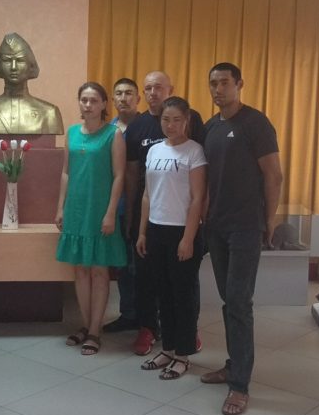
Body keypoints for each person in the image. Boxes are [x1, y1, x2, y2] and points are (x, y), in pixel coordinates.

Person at [200, 62, 283, 415]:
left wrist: (268, 221)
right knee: (228, 299)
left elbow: (274, 175)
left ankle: (240, 385)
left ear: (239, 84)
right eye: (213, 84)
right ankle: (234, 365)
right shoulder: (210, 127)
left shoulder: (256, 123)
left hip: (246, 227)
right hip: (216, 226)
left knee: (238, 301)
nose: (218, 89)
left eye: (224, 83)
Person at [124, 71, 206, 356]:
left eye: (176, 120)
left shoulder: (194, 148)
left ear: (186, 121)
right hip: (154, 226)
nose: (170, 125)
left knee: (183, 290)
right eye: (166, 120)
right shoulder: (150, 144)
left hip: (182, 227)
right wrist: (140, 230)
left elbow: (198, 196)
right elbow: (143, 189)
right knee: (158, 287)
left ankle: (185, 346)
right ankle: (164, 344)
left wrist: (189, 237)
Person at [55, 82, 127, 356]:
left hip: (100, 210)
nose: (88, 105)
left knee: (99, 271)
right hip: (75, 209)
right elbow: (66, 172)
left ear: (104, 104)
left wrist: (111, 212)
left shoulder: (113, 134)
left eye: (94, 100)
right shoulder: (72, 133)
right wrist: (60, 207)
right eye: (84, 100)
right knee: (81, 270)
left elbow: (119, 176)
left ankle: (96, 330)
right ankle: (86, 325)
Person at [103, 77, 142, 334]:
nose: (123, 98)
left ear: (138, 98)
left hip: (143, 207)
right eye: (118, 93)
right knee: (122, 265)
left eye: (129, 93)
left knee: (142, 265)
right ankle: (128, 314)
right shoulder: (107, 130)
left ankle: (149, 319)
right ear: (112, 100)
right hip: (115, 207)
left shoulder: (148, 126)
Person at [0, 33, 63, 135]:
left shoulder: (49, 113)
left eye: (20, 60)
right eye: (7, 60)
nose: (13, 67)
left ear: (31, 65)